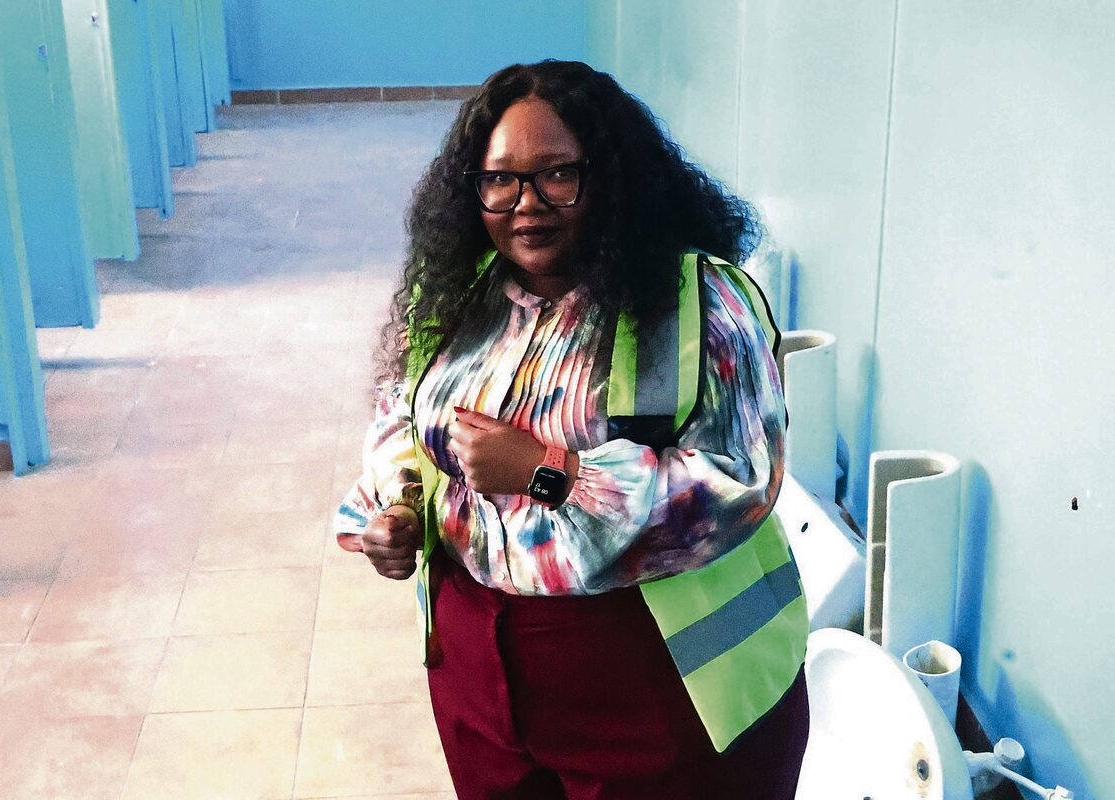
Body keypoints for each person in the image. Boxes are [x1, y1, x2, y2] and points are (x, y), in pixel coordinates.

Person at [336, 60, 809, 799]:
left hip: (655, 682)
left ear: (612, 178)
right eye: (500, 180)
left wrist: (549, 472)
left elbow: (741, 483)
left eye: (558, 175)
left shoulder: (700, 304)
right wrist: (395, 510)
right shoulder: (462, 296)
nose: (527, 205)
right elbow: (404, 416)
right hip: (477, 675)